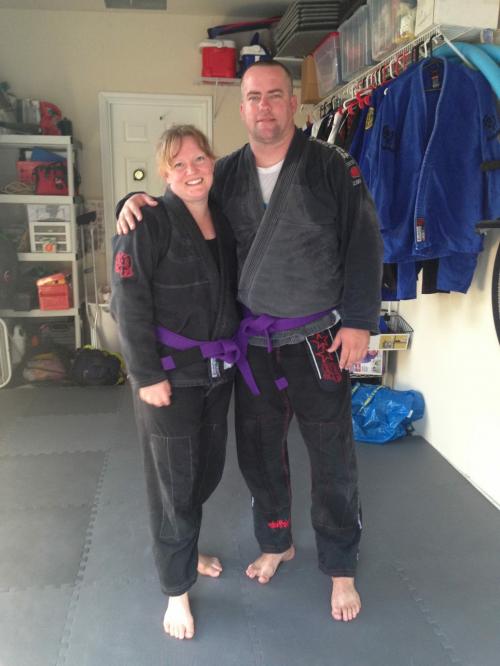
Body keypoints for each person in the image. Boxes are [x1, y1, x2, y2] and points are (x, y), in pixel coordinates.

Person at [117, 61, 383, 623]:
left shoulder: (331, 165)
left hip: (319, 338)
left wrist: (359, 320)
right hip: (254, 345)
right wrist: (131, 201)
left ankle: (340, 566)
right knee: (259, 453)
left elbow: (364, 241)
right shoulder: (228, 172)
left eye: (275, 95)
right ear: (241, 109)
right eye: (254, 97)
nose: (265, 106)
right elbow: (179, 205)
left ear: (293, 103)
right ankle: (277, 541)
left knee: (331, 452)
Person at [111, 125, 240, 640]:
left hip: (217, 373)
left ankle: (189, 551)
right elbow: (127, 301)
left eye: (200, 159)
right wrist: (146, 375)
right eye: (179, 163)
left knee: (204, 472)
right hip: (168, 377)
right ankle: (176, 589)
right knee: (172, 485)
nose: (192, 171)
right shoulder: (146, 222)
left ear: (213, 162)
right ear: (165, 173)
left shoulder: (223, 218)